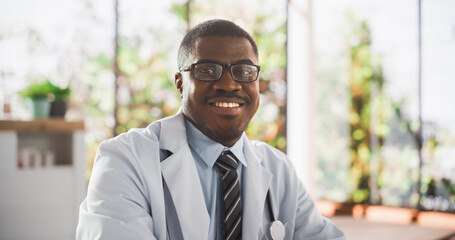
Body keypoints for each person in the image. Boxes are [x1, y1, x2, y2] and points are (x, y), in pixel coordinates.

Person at [76, 19, 345, 240]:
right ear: (181, 83)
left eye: (243, 70)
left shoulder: (279, 169)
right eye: (207, 70)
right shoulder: (125, 160)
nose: (228, 84)